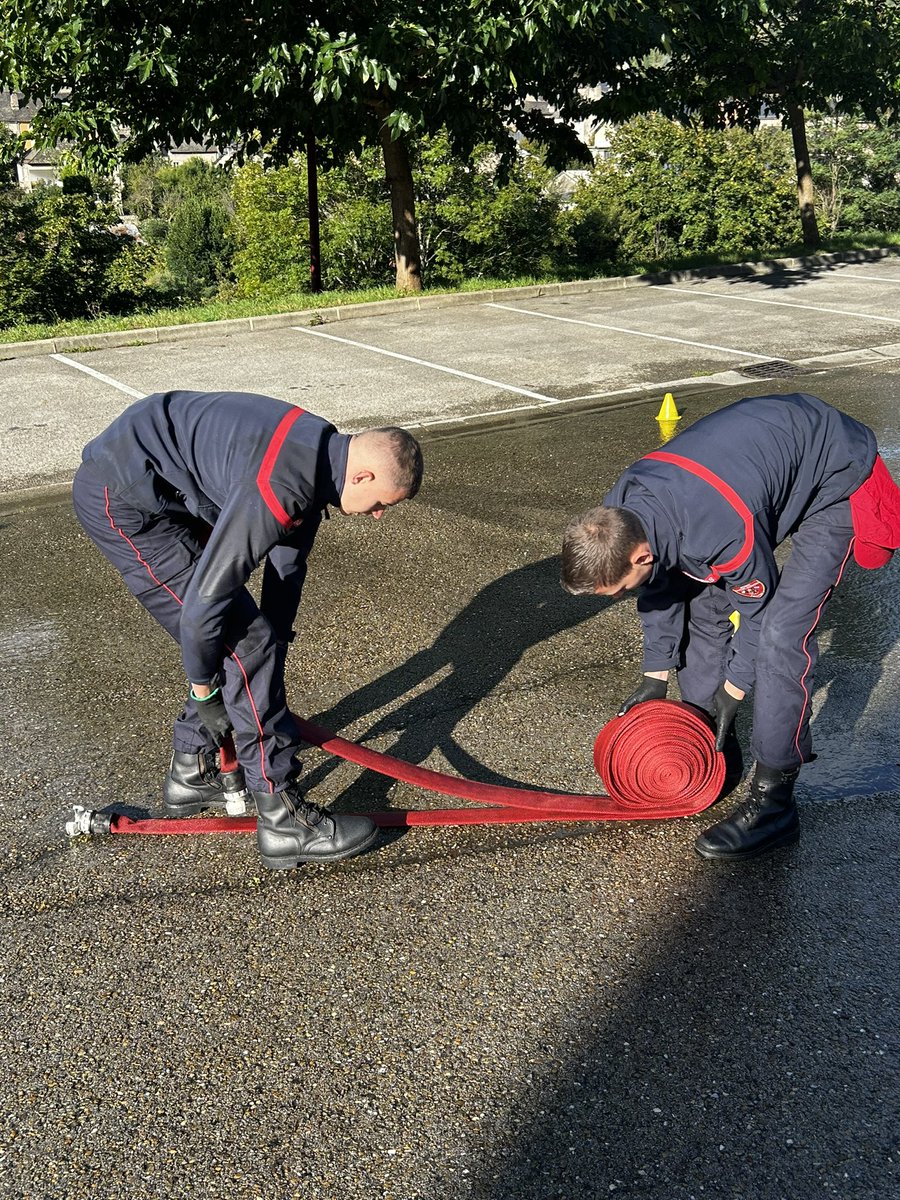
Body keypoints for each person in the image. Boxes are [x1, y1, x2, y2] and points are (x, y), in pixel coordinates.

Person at [72, 390, 424, 870]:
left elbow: (287, 563)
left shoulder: (320, 455)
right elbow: (203, 608)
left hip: (168, 486)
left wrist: (275, 644)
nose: (379, 514)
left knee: (259, 641)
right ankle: (282, 819)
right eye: (382, 501)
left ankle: (192, 771)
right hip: (126, 501)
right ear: (361, 475)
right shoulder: (283, 481)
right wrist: (204, 692)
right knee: (245, 641)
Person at [560, 392, 900, 861]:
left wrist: (734, 690)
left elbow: (756, 611)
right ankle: (712, 749)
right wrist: (654, 675)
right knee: (701, 602)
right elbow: (662, 587)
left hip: (833, 472)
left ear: (640, 555)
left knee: (783, 636)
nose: (620, 596)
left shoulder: (719, 528)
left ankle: (775, 803)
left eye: (618, 589)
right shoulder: (622, 508)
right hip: (759, 468)